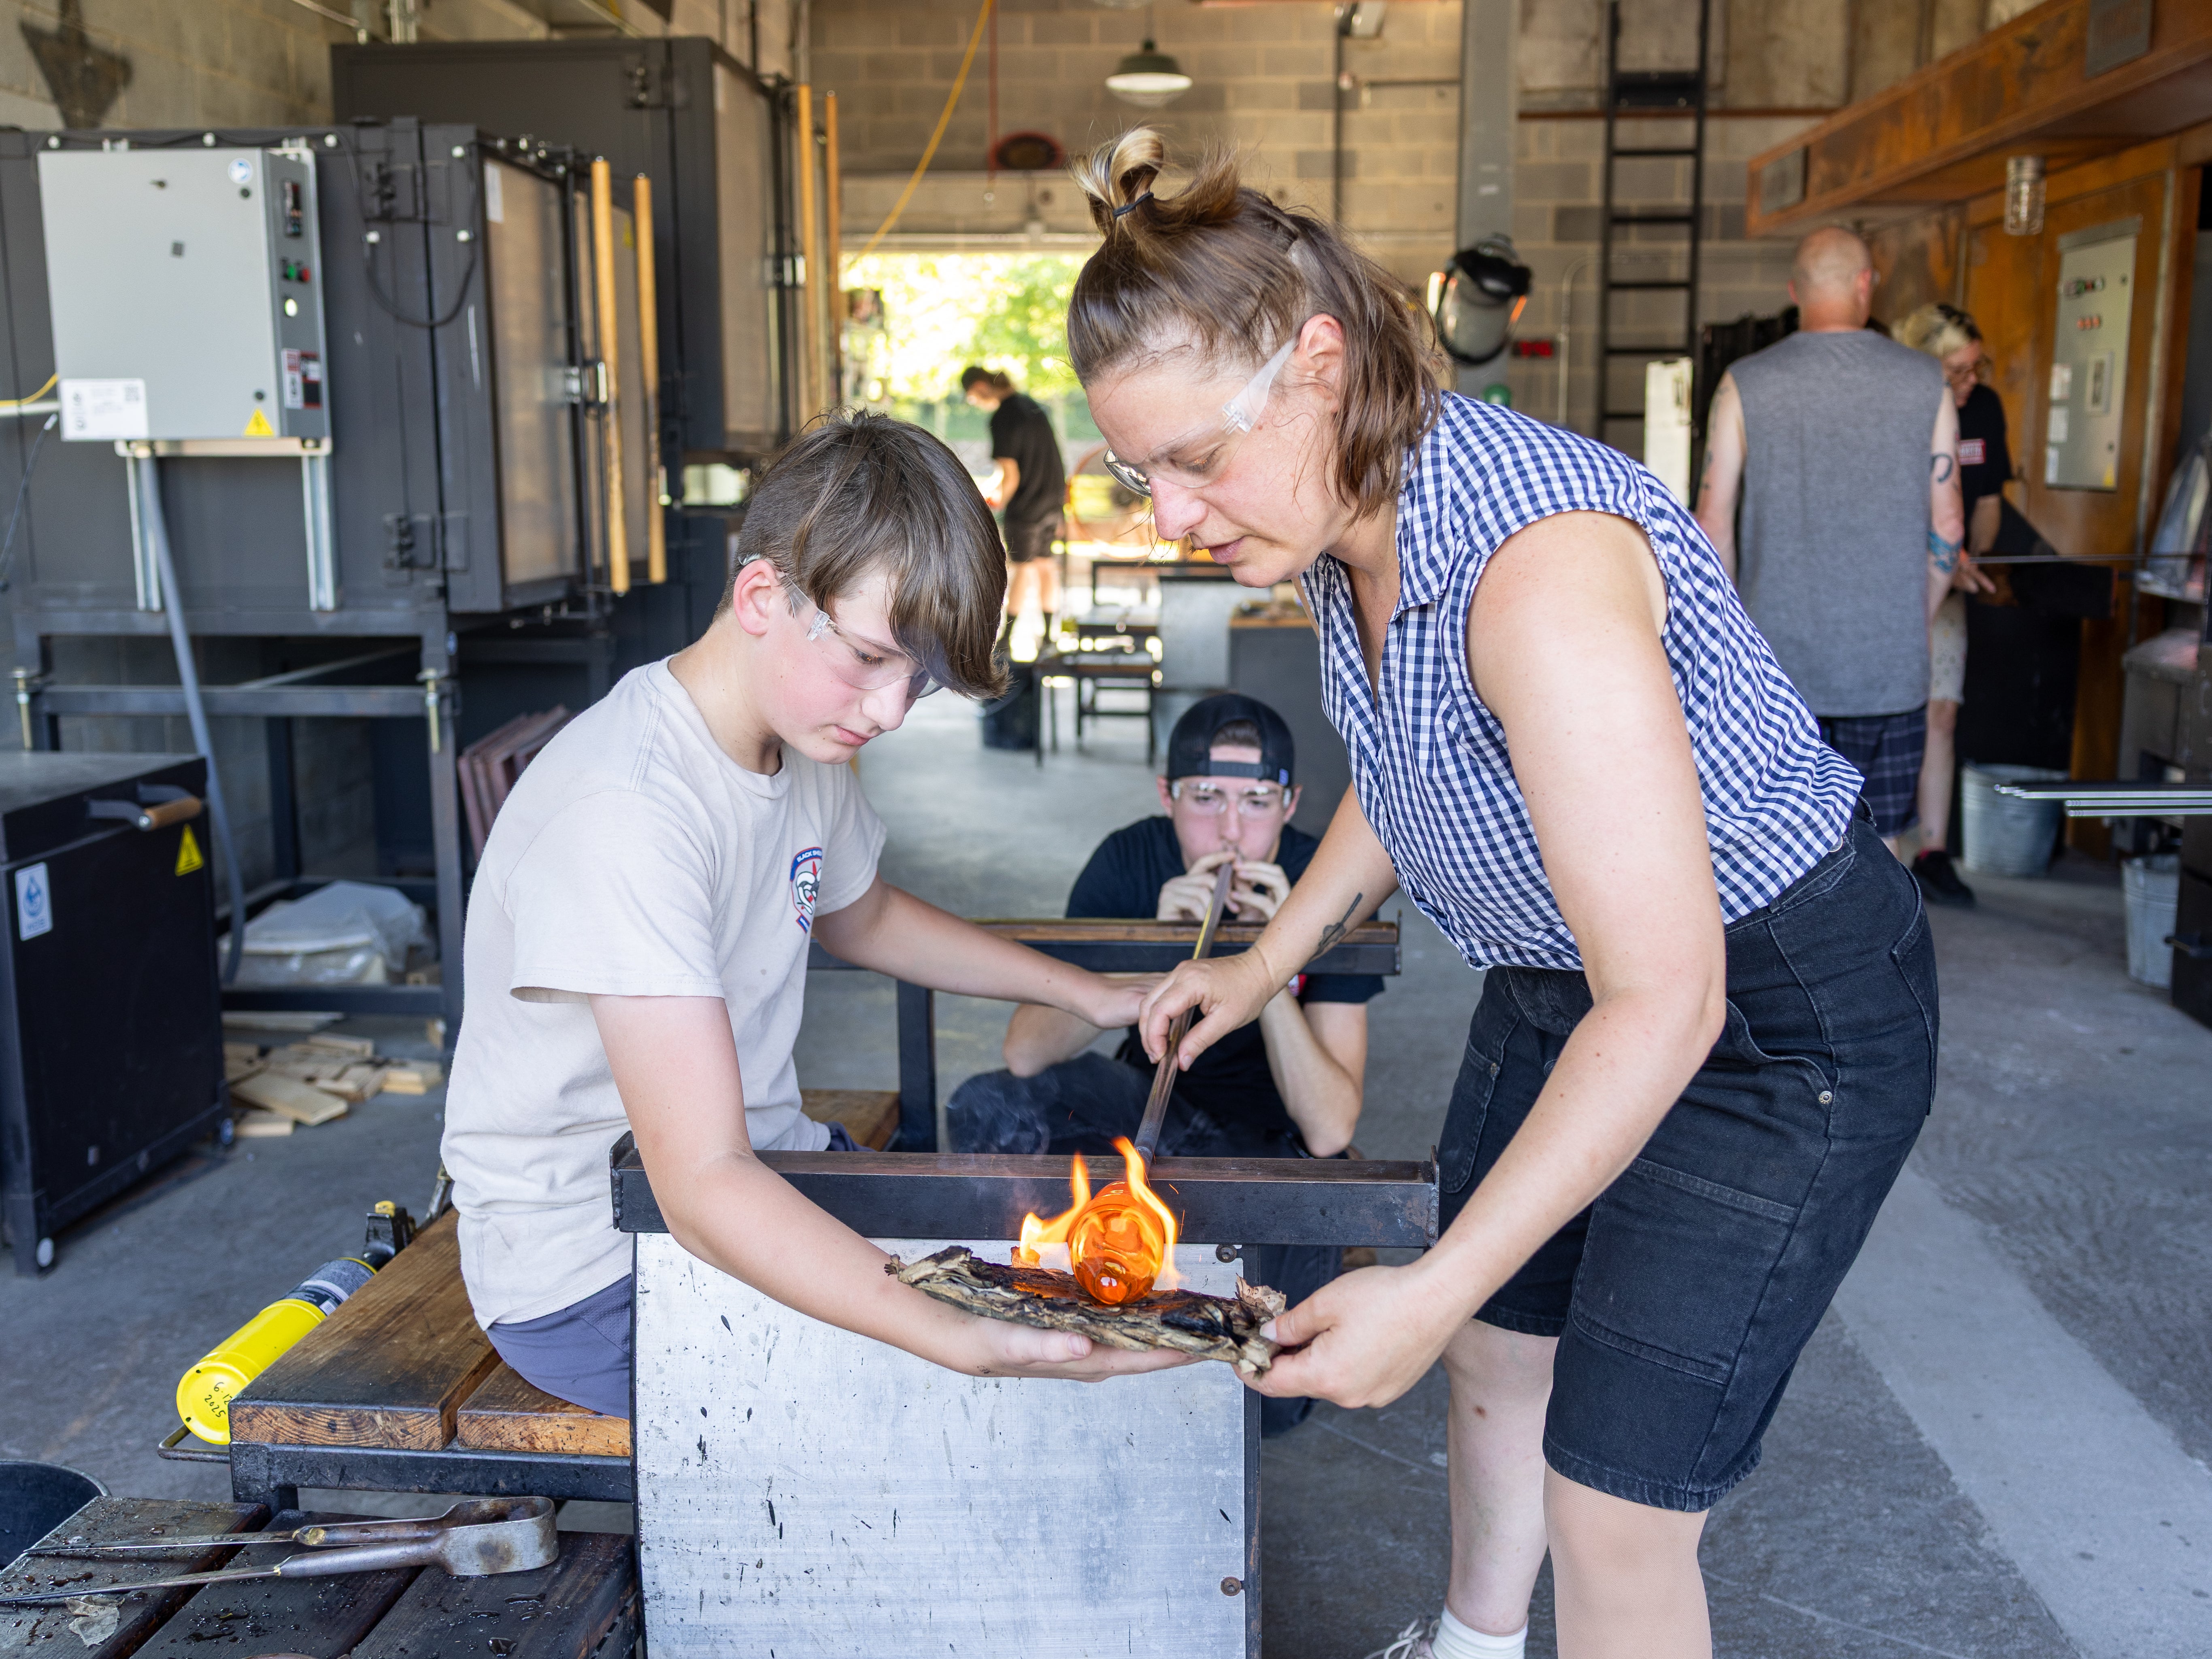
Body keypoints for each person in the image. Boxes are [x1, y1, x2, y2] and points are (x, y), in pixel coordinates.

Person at [1067, 131, 1936, 1659]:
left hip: (1770, 1019)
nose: (1171, 515)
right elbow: (1409, 776)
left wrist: (1418, 1281)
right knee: (1496, 1347)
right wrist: (1265, 960)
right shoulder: (1346, 528)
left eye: (1193, 458)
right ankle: (1473, 1642)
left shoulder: (1532, 569)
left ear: (1320, 366)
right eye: (1140, 473)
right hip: (1565, 977)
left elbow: (1670, 996)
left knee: (1614, 1503)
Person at [441, 412, 1187, 1421]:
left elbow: (862, 915)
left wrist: (1088, 994)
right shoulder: (627, 810)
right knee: (967, 1392)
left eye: (917, 681)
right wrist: (945, 1337)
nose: (888, 710)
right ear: (761, 596)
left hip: (760, 1163)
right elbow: (702, 1185)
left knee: (1025, 1266)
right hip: (594, 1266)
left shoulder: (798, 738)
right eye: (874, 658)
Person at [946, 691, 1383, 1434]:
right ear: (1166, 795)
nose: (1231, 830)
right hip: (1146, 1098)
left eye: (1256, 800)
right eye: (1204, 797)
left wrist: (1266, 961)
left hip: (1265, 1138)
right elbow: (1024, 1048)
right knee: (984, 1107)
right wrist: (1152, 944)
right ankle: (1046, 1305)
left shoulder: (1320, 878)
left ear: (1291, 803)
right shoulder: (1130, 858)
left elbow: (1327, 1123)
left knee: (1269, 1401)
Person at [1695, 227, 1969, 856]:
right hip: (1890, 666)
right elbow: (1948, 525)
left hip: (1778, 671)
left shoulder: (1745, 381)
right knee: (1887, 842)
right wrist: (1913, 619)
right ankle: (1881, 955)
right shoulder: (1926, 380)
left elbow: (1712, 524)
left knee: (1782, 846)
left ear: (1795, 292)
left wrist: (1735, 641)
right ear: (1866, 284)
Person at [1894, 302, 2007, 907]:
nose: (1970, 383)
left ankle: (1933, 850)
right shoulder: (1897, 406)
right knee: (1882, 710)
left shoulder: (1983, 408)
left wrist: (1970, 557)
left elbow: (1985, 499)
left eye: (1975, 369)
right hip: (1886, 584)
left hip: (1952, 585)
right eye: (1957, 371)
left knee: (1941, 712)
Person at [961, 366, 1068, 642]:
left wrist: (991, 507)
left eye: (972, 396)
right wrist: (990, 490)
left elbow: (1011, 477)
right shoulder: (1030, 405)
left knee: (1023, 567)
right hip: (1052, 499)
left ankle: (1007, 641)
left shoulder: (1004, 417)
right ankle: (1048, 638)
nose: (975, 402)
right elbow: (1010, 472)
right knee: (1045, 564)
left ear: (981, 386)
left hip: (1027, 504)